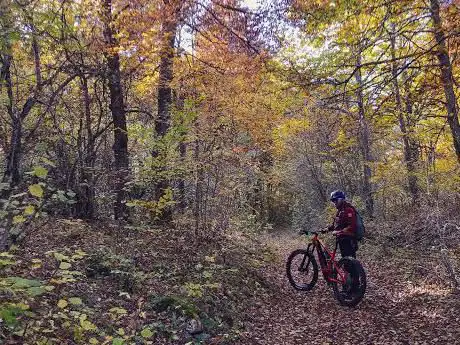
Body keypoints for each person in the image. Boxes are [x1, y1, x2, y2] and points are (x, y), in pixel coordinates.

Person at [327, 190, 358, 258]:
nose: (334, 203)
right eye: (333, 201)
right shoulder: (340, 211)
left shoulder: (348, 210)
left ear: (341, 199)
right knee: (345, 261)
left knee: (350, 262)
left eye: (336, 200)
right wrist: (327, 229)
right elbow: (337, 224)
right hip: (342, 240)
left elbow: (352, 226)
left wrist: (339, 232)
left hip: (349, 240)